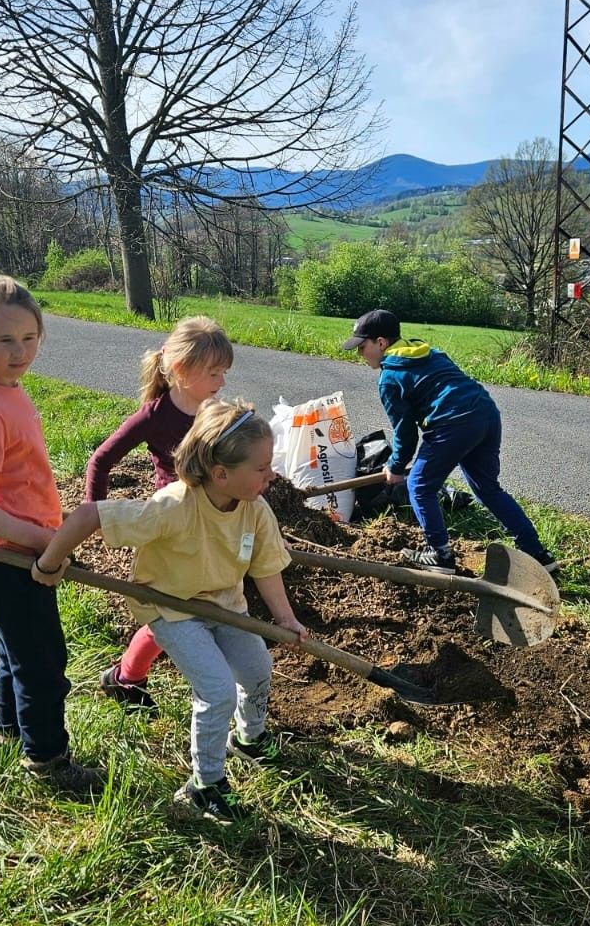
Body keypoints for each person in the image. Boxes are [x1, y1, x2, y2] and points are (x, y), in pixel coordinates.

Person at [35, 399, 307, 822]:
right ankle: (205, 784)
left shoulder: (255, 509)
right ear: (221, 474)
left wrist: (286, 619)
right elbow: (89, 515)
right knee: (216, 690)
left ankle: (249, 739)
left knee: (257, 669)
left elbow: (266, 567)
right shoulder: (174, 507)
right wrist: (50, 562)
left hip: (225, 606)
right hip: (172, 610)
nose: (271, 475)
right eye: (261, 467)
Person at [0, 274, 104, 793]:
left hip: (11, 550)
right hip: (3, 558)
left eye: (30, 338)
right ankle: (47, 760)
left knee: (16, 649)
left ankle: (9, 732)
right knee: (42, 662)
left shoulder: (0, 386)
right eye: (6, 340)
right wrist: (40, 542)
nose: (21, 352)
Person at [87, 316, 233, 713]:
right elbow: (101, 460)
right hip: (175, 524)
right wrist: (94, 515)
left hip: (215, 520)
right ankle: (127, 676)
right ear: (182, 370)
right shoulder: (154, 416)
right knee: (173, 609)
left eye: (224, 372)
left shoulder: (217, 411)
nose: (222, 381)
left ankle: (134, 675)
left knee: (209, 603)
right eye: (214, 373)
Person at [344, 309, 555, 573]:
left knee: (419, 486)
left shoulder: (390, 378)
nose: (359, 354)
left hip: (452, 424)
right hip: (485, 413)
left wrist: (396, 467)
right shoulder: (428, 351)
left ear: (381, 342)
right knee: (488, 489)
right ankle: (538, 554)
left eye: (362, 347)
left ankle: (440, 555)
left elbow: (405, 433)